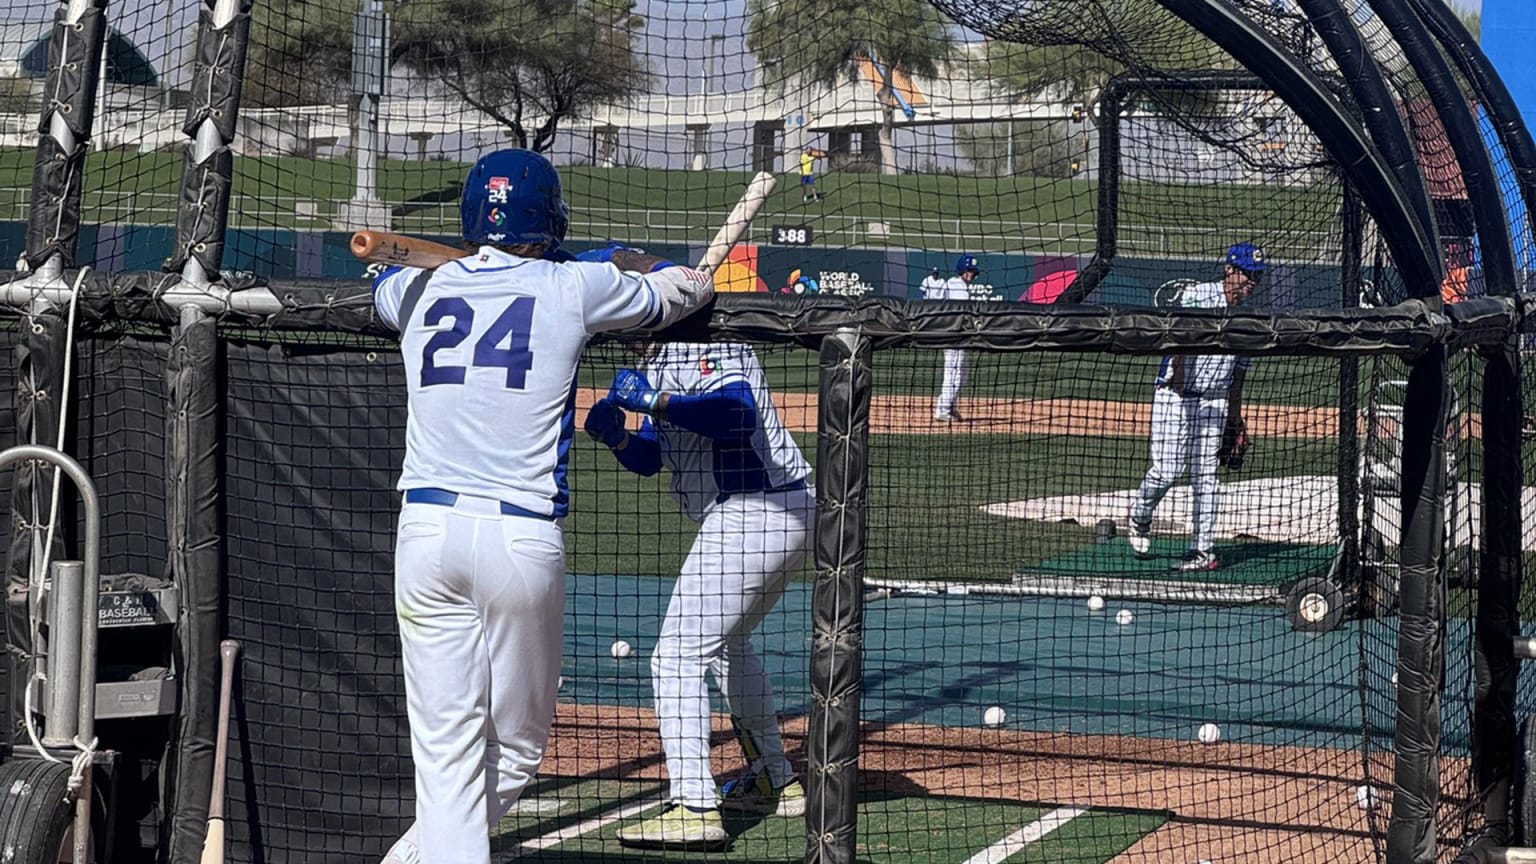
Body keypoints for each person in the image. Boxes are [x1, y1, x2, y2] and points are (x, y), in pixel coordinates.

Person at [373, 149, 715, 864]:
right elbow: (689, 288)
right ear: (549, 217)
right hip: (518, 539)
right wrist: (621, 268)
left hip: (424, 533)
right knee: (519, 746)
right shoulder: (577, 286)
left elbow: (378, 285)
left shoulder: (411, 288)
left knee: (445, 750)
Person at [584, 342, 814, 850]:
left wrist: (654, 401)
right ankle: (774, 779)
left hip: (755, 513)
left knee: (676, 657)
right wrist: (619, 437)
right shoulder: (659, 361)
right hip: (772, 517)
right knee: (726, 646)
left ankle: (693, 807)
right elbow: (651, 457)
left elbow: (736, 414)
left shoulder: (707, 346)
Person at [1127, 243, 1264, 572]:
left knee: (1206, 477)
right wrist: (1179, 371)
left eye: (1257, 276)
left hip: (1214, 401)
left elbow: (1239, 374)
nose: (1251, 282)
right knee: (1167, 471)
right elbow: (1178, 336)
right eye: (1247, 274)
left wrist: (1235, 417)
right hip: (1175, 396)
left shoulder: (1247, 318)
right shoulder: (1198, 296)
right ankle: (1140, 517)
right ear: (1229, 270)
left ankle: (1202, 550)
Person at [933, 255, 979, 422]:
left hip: (958, 334)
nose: (971, 275)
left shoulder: (957, 285)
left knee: (962, 373)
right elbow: (962, 312)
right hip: (954, 334)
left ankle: (949, 406)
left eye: (973, 272)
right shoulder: (957, 286)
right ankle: (943, 409)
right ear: (962, 271)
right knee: (954, 373)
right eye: (969, 271)